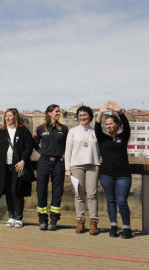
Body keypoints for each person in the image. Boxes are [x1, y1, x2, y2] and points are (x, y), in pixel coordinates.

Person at [0, 108, 34, 228]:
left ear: (15, 117)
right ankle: (11, 217)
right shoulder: (0, 132)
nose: (7, 118)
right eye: (6, 116)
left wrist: (23, 161)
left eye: (10, 116)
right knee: (9, 192)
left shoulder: (23, 131)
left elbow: (28, 147)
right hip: (4, 167)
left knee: (17, 191)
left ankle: (18, 218)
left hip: (18, 166)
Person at [95, 101, 132, 239]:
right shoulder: (102, 138)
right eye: (107, 124)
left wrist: (120, 112)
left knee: (122, 201)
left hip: (123, 175)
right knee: (110, 200)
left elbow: (127, 126)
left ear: (117, 125)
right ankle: (113, 227)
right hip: (106, 175)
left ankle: (127, 228)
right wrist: (100, 113)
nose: (109, 126)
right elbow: (97, 127)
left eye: (111, 123)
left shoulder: (123, 137)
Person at [65, 106, 100, 235]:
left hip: (93, 165)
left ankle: (93, 222)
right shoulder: (72, 131)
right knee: (78, 194)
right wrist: (67, 169)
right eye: (80, 115)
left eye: (85, 115)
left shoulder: (96, 130)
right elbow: (68, 151)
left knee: (92, 194)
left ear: (90, 116)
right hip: (76, 166)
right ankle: (80, 220)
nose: (82, 117)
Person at [34, 104, 68, 231]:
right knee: (41, 191)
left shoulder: (63, 129)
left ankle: (54, 219)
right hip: (43, 162)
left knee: (57, 192)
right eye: (56, 111)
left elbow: (67, 145)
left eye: (59, 112)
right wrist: (42, 152)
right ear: (49, 113)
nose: (59, 113)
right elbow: (35, 143)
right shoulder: (41, 128)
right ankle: (42, 219)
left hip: (59, 163)